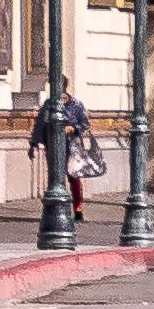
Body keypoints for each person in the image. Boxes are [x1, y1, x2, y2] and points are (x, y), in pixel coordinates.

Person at [30, 78, 94, 227]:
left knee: (73, 177)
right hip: (52, 146)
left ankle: (78, 209)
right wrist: (33, 144)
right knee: (54, 177)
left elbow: (84, 123)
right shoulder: (48, 104)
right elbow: (40, 123)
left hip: (71, 146)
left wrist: (73, 128)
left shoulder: (76, 105)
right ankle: (56, 209)